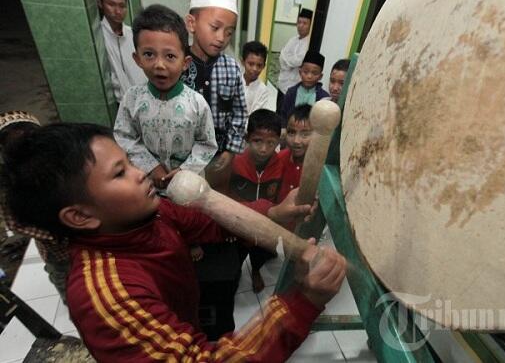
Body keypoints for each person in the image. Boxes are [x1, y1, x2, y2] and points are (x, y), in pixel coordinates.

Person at [2, 122, 347, 362]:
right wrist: (303, 301)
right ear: (80, 217)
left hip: (178, 322)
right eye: (119, 173)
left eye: (128, 161)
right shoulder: (107, 299)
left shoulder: (149, 215)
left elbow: (211, 222)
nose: (139, 172)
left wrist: (272, 212)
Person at [113, 5, 217, 192]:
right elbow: (124, 135)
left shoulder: (197, 103)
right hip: (147, 184)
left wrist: (184, 171)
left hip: (188, 186)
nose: (159, 65)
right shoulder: (132, 98)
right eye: (149, 54)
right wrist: (151, 166)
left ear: (185, 63)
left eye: (170, 56)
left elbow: (207, 144)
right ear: (137, 59)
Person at [181, 0, 247, 193]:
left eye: (229, 32)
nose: (221, 38)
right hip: (182, 155)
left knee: (215, 201)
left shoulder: (231, 68)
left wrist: (230, 151)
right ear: (192, 23)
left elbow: (239, 112)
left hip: (219, 155)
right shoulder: (176, 64)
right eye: (215, 28)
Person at [0, 111, 70, 303]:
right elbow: (14, 223)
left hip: (77, 231)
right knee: (62, 273)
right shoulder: (9, 183)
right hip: (54, 242)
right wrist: (52, 234)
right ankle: (70, 302)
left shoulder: (56, 162)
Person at [229, 110, 284, 293]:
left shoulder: (281, 163)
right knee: (235, 259)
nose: (263, 149)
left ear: (278, 141)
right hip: (239, 223)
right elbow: (227, 195)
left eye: (271, 143)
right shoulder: (234, 161)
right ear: (247, 138)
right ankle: (236, 273)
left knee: (262, 252)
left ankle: (256, 270)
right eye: (257, 141)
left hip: (266, 225)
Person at [96, 0, 146, 103]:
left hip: (144, 96)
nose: (118, 11)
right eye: (111, 5)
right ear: (100, 3)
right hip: (122, 102)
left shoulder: (132, 34)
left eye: (122, 6)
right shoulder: (99, 36)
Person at [280, 51, 329, 127]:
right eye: (305, 72)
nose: (309, 76)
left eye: (314, 73)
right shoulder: (291, 92)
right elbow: (283, 115)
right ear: (300, 72)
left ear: (320, 76)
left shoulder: (324, 97)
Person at [277, 8, 313, 114]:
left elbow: (299, 61)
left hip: (294, 86)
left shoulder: (309, 43)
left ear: (310, 25)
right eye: (299, 22)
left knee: (287, 114)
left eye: (305, 23)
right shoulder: (292, 40)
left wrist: (288, 60)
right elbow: (281, 56)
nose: (300, 25)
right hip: (282, 83)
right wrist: (290, 62)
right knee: (278, 111)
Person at [278, 105, 313, 204]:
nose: (296, 141)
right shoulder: (278, 159)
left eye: (305, 134)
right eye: (291, 132)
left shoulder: (321, 169)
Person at [240, 41, 271, 115]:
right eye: (251, 64)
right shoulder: (234, 82)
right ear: (243, 62)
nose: (254, 69)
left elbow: (255, 115)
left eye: (259, 65)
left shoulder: (263, 90)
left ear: (264, 66)